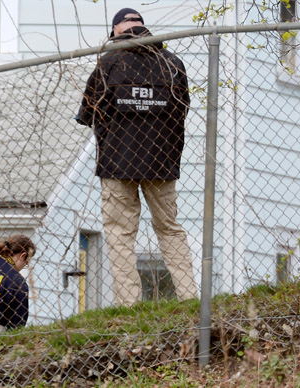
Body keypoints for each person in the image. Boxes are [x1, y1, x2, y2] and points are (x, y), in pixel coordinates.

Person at [76, 8, 197, 305]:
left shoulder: (108, 63)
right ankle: (189, 297)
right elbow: (182, 109)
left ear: (116, 30)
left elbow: (88, 115)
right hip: (162, 162)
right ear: (143, 28)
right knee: (169, 229)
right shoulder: (172, 64)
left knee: (120, 234)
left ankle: (130, 304)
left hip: (117, 162)